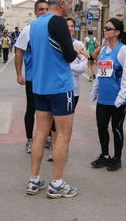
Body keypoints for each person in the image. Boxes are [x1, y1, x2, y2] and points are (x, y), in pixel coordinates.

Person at [26, 0, 89, 198]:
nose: (71, 5)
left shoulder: (35, 24)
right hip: (60, 88)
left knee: (40, 133)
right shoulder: (58, 22)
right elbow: (69, 56)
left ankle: (34, 180)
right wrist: (79, 50)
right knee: (63, 135)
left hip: (40, 86)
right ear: (61, 3)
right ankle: (56, 184)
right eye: (70, 2)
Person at [89, 18, 126, 171]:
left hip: (118, 99)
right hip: (103, 98)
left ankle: (117, 158)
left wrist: (121, 97)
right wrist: (95, 89)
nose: (105, 30)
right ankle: (105, 155)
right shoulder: (103, 50)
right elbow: (101, 73)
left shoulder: (123, 51)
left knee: (116, 128)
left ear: (117, 32)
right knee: (101, 126)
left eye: (108, 28)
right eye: (105, 28)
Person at [46, 17, 88, 162]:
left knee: (66, 124)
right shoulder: (54, 43)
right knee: (53, 123)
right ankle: (55, 149)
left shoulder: (79, 44)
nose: (69, 28)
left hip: (73, 90)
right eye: (67, 25)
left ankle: (64, 150)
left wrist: (67, 68)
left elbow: (83, 67)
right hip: (56, 88)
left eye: (72, 26)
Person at [15, 0, 49, 153]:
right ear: (35, 12)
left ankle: (47, 138)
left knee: (50, 110)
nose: (44, 12)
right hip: (32, 77)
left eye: (46, 9)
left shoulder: (53, 28)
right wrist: (18, 73)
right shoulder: (27, 30)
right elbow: (19, 51)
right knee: (32, 108)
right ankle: (29, 139)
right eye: (40, 9)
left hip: (50, 77)